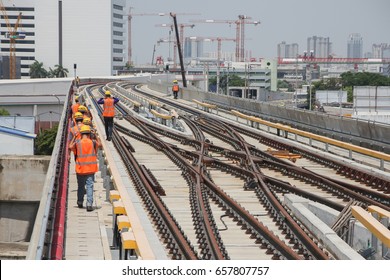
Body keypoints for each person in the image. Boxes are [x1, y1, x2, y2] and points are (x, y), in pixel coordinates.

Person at [69, 125, 102, 211]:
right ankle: (89, 204)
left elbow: (70, 146)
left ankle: (80, 202)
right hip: (90, 169)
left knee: (80, 186)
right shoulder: (93, 142)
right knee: (90, 186)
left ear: (81, 133)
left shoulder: (77, 143)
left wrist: (75, 137)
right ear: (89, 133)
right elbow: (100, 144)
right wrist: (95, 135)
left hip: (80, 169)